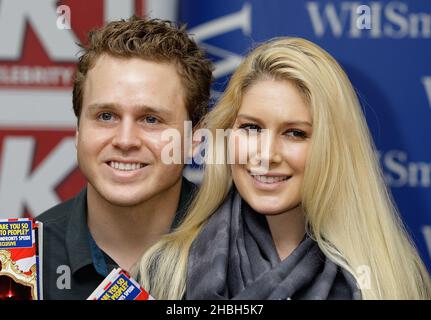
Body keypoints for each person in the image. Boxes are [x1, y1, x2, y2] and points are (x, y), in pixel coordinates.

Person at [136, 37, 431, 299]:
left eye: (295, 133)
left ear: (332, 148)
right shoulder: (164, 272)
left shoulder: (392, 281)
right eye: (251, 128)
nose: (266, 155)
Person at [36, 16, 213, 299]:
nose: (125, 140)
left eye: (151, 119)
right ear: (79, 131)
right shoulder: (23, 262)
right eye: (106, 116)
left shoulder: (242, 251)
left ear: (195, 140)